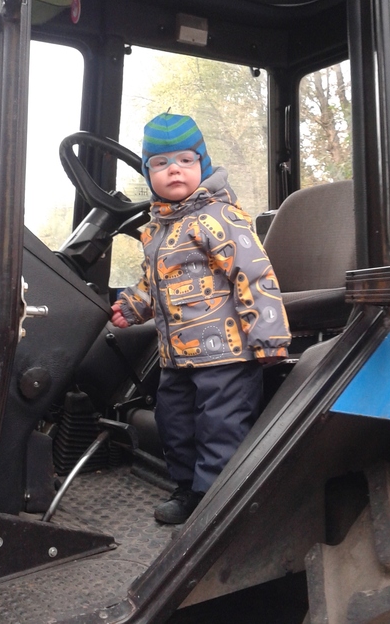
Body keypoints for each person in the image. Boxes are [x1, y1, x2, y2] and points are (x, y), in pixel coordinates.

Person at [111, 112, 291, 524]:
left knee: (219, 427)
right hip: (176, 357)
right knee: (174, 422)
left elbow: (254, 274)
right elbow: (154, 281)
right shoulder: (158, 229)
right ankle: (186, 488)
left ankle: (214, 503)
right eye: (160, 163)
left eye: (185, 160)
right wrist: (133, 306)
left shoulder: (218, 217)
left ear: (202, 164)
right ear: (148, 173)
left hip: (227, 355)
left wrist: (269, 337)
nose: (174, 169)